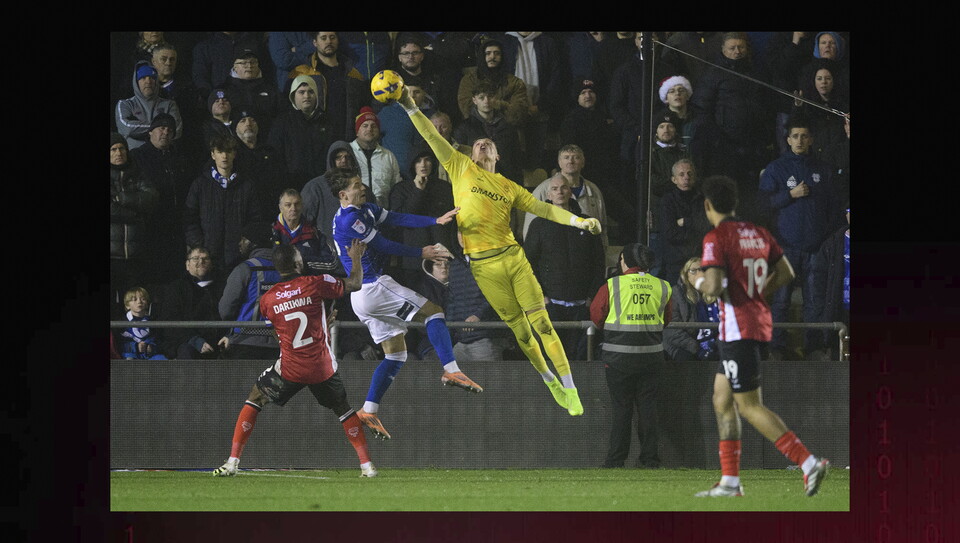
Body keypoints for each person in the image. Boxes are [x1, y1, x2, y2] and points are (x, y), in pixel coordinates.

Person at [397, 85, 604, 416]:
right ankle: (550, 380)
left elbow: (545, 209)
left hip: (513, 258)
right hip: (485, 266)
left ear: (497, 156)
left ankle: (569, 388)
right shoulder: (460, 167)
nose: (482, 144)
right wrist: (409, 105)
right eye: (477, 143)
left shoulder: (509, 186)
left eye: (488, 144)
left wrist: (580, 221)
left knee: (542, 325)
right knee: (522, 331)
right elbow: (431, 136)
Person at [693, 174, 829, 497]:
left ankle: (808, 462)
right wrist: (757, 294)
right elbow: (786, 272)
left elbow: (713, 286)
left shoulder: (716, 236)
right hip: (753, 323)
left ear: (708, 205)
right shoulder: (758, 232)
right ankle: (730, 481)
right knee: (722, 399)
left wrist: (696, 280)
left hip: (737, 329)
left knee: (750, 406)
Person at [329, 168, 483, 440]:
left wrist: (434, 220)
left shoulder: (364, 209)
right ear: (343, 195)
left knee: (396, 355)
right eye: (356, 185)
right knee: (433, 312)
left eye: (361, 183)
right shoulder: (350, 219)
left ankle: (369, 409)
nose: (362, 188)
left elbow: (397, 218)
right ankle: (451, 370)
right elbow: (384, 244)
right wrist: (420, 252)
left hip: (363, 296)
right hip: (374, 287)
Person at [212, 239, 379, 478]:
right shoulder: (316, 283)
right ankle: (367, 466)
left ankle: (232, 462)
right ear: (299, 263)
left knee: (255, 397)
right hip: (322, 367)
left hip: (291, 369)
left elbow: (278, 330)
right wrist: (356, 258)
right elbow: (355, 283)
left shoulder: (268, 299)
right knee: (343, 409)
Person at [758, 116, 841, 361]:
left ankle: (813, 347)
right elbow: (763, 205)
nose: (800, 140)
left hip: (816, 248)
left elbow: (834, 208)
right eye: (795, 136)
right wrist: (790, 195)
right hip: (785, 247)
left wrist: (824, 238)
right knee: (781, 300)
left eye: (804, 136)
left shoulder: (823, 169)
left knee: (814, 301)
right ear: (788, 140)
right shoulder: (776, 169)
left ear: (811, 139)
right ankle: (777, 347)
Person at [589, 243, 672, 468]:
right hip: (652, 357)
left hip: (618, 358)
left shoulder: (612, 285)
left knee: (622, 409)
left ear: (624, 261)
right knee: (648, 408)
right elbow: (666, 319)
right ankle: (650, 459)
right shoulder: (662, 286)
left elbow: (597, 315)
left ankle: (616, 460)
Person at [692, 33, 775, 223]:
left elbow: (767, 105)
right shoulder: (713, 73)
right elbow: (702, 108)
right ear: (723, 49)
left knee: (749, 194)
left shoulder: (756, 72)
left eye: (741, 47)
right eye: (732, 48)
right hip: (724, 147)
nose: (737, 51)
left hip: (753, 146)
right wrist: (716, 138)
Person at [524, 176, 606, 360]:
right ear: (548, 194)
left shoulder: (587, 222)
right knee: (553, 361)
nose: (559, 192)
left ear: (570, 192)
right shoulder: (539, 225)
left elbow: (598, 262)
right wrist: (542, 297)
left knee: (581, 359)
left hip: (582, 306)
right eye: (554, 189)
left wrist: (591, 297)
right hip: (551, 306)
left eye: (563, 188)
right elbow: (527, 264)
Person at [129, 112, 193, 284]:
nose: (165, 132)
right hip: (150, 226)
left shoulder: (180, 158)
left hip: (176, 226)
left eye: (170, 130)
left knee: (174, 275)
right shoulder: (137, 156)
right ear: (150, 131)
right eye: (161, 128)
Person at [183, 134, 262, 272]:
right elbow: (189, 219)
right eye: (220, 151)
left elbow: (255, 218)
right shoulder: (200, 185)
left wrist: (246, 242)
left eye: (228, 151)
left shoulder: (246, 185)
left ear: (234, 154)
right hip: (208, 257)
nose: (224, 156)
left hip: (238, 257)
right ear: (213, 155)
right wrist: (200, 245)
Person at [388, 150, 458, 287]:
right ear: (412, 164)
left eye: (427, 160)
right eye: (418, 161)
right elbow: (401, 220)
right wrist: (418, 191)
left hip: (443, 260)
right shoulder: (400, 189)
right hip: (413, 260)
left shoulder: (445, 188)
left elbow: (453, 223)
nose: (423, 165)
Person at [523, 143, 608, 251]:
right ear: (559, 162)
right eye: (566, 157)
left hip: (584, 253)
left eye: (576, 157)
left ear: (583, 162)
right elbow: (530, 232)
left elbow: (602, 228)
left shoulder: (593, 190)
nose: (570, 161)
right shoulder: (543, 190)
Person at [287, 31, 367, 144]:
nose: (329, 41)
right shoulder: (301, 73)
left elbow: (362, 106)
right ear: (315, 42)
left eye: (332, 37)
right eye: (323, 38)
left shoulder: (353, 74)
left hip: (346, 141)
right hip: (313, 140)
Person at [217, 222, 281, 360]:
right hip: (279, 343)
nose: (240, 243)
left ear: (253, 243)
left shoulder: (244, 269)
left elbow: (226, 310)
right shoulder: (285, 269)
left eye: (243, 239)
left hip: (245, 341)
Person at [110, 132, 159, 304]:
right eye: (113, 149)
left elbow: (151, 198)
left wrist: (122, 198)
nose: (119, 153)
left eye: (122, 148)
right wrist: (134, 215)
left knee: (133, 302)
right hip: (112, 255)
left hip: (135, 255)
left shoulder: (137, 173)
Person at [156, 245, 228, 360]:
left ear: (211, 264)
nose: (201, 261)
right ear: (187, 265)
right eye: (196, 258)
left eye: (205, 258)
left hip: (219, 342)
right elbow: (170, 320)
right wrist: (194, 340)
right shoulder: (176, 289)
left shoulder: (223, 287)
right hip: (187, 342)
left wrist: (228, 336)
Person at [268, 74, 331, 191]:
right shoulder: (282, 123)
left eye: (311, 92)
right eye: (301, 92)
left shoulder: (327, 122)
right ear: (293, 95)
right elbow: (275, 157)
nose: (306, 96)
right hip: (291, 186)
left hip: (321, 185)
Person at [453, 81, 524, 186]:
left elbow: (516, 159)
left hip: (506, 183)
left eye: (490, 96)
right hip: (477, 184)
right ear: (474, 100)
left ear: (496, 98)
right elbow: (460, 160)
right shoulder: (464, 128)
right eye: (481, 98)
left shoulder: (508, 126)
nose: (486, 101)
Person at [456, 37, 529, 128]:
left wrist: (496, 104)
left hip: (508, 130)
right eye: (488, 53)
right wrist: (504, 105)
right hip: (477, 130)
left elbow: (518, 114)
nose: (492, 57)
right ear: (482, 56)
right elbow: (467, 109)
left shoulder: (515, 83)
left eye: (497, 53)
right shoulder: (469, 80)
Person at [557, 78, 619, 186]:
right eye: (583, 93)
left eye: (591, 92)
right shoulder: (571, 121)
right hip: (582, 172)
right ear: (577, 97)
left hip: (604, 171)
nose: (588, 96)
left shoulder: (603, 117)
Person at [659, 158, 712, 284]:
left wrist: (685, 222)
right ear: (674, 179)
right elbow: (669, 233)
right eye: (681, 174)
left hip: (698, 261)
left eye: (689, 174)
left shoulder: (702, 199)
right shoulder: (667, 201)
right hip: (675, 263)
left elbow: (707, 227)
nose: (686, 177)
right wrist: (695, 229)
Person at [271, 188, 343, 277]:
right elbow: (267, 262)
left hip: (310, 283)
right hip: (281, 284)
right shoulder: (272, 232)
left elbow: (332, 262)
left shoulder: (315, 232)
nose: (293, 208)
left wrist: (302, 261)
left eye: (297, 204)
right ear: (280, 208)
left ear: (302, 206)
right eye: (288, 205)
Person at [301, 141, 359, 246]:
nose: (344, 160)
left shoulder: (362, 189)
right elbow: (303, 222)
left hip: (358, 249)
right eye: (338, 157)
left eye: (347, 157)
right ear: (331, 160)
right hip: (324, 250)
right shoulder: (315, 187)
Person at [116, 60, 183, 150]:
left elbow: (177, 129)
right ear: (136, 82)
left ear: (156, 81)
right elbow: (127, 128)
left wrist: (140, 130)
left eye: (152, 78)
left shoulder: (169, 104)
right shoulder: (125, 104)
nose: (148, 81)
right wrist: (158, 128)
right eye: (143, 78)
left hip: (163, 154)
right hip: (133, 155)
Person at [662, 257, 720, 362]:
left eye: (702, 270)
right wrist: (698, 350)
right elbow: (673, 330)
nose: (699, 274)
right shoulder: (677, 293)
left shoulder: (716, 293)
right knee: (688, 359)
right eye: (693, 271)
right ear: (686, 275)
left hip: (712, 343)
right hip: (685, 345)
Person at [233, 109, 286, 220]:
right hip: (242, 213)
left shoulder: (270, 152)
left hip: (269, 211)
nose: (248, 124)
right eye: (243, 121)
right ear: (235, 128)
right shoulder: (231, 154)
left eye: (252, 120)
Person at [377, 82, 433, 183]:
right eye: (408, 92)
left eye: (417, 92)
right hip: (395, 177)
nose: (412, 96)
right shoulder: (387, 113)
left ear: (424, 94)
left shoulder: (430, 116)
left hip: (423, 176)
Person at [814, 205, 850, 360]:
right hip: (840, 308)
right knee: (839, 354)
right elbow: (819, 277)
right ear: (846, 215)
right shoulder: (832, 244)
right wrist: (823, 307)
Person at [350, 106, 403, 208]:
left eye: (373, 126)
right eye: (365, 126)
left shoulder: (388, 156)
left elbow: (397, 187)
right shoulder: (348, 153)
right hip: (354, 213)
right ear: (357, 131)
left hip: (382, 213)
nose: (369, 129)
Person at [225, 48, 278, 139]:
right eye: (244, 63)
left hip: (267, 137)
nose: (249, 66)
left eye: (253, 62)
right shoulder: (226, 89)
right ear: (235, 66)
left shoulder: (270, 89)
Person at [118, 286, 168, 360]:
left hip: (150, 354)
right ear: (127, 305)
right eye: (134, 299)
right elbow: (119, 343)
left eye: (143, 299)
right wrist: (135, 346)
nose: (139, 302)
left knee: (162, 359)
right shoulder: (122, 322)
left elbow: (159, 340)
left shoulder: (153, 321)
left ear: (147, 303)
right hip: (131, 354)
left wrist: (152, 347)